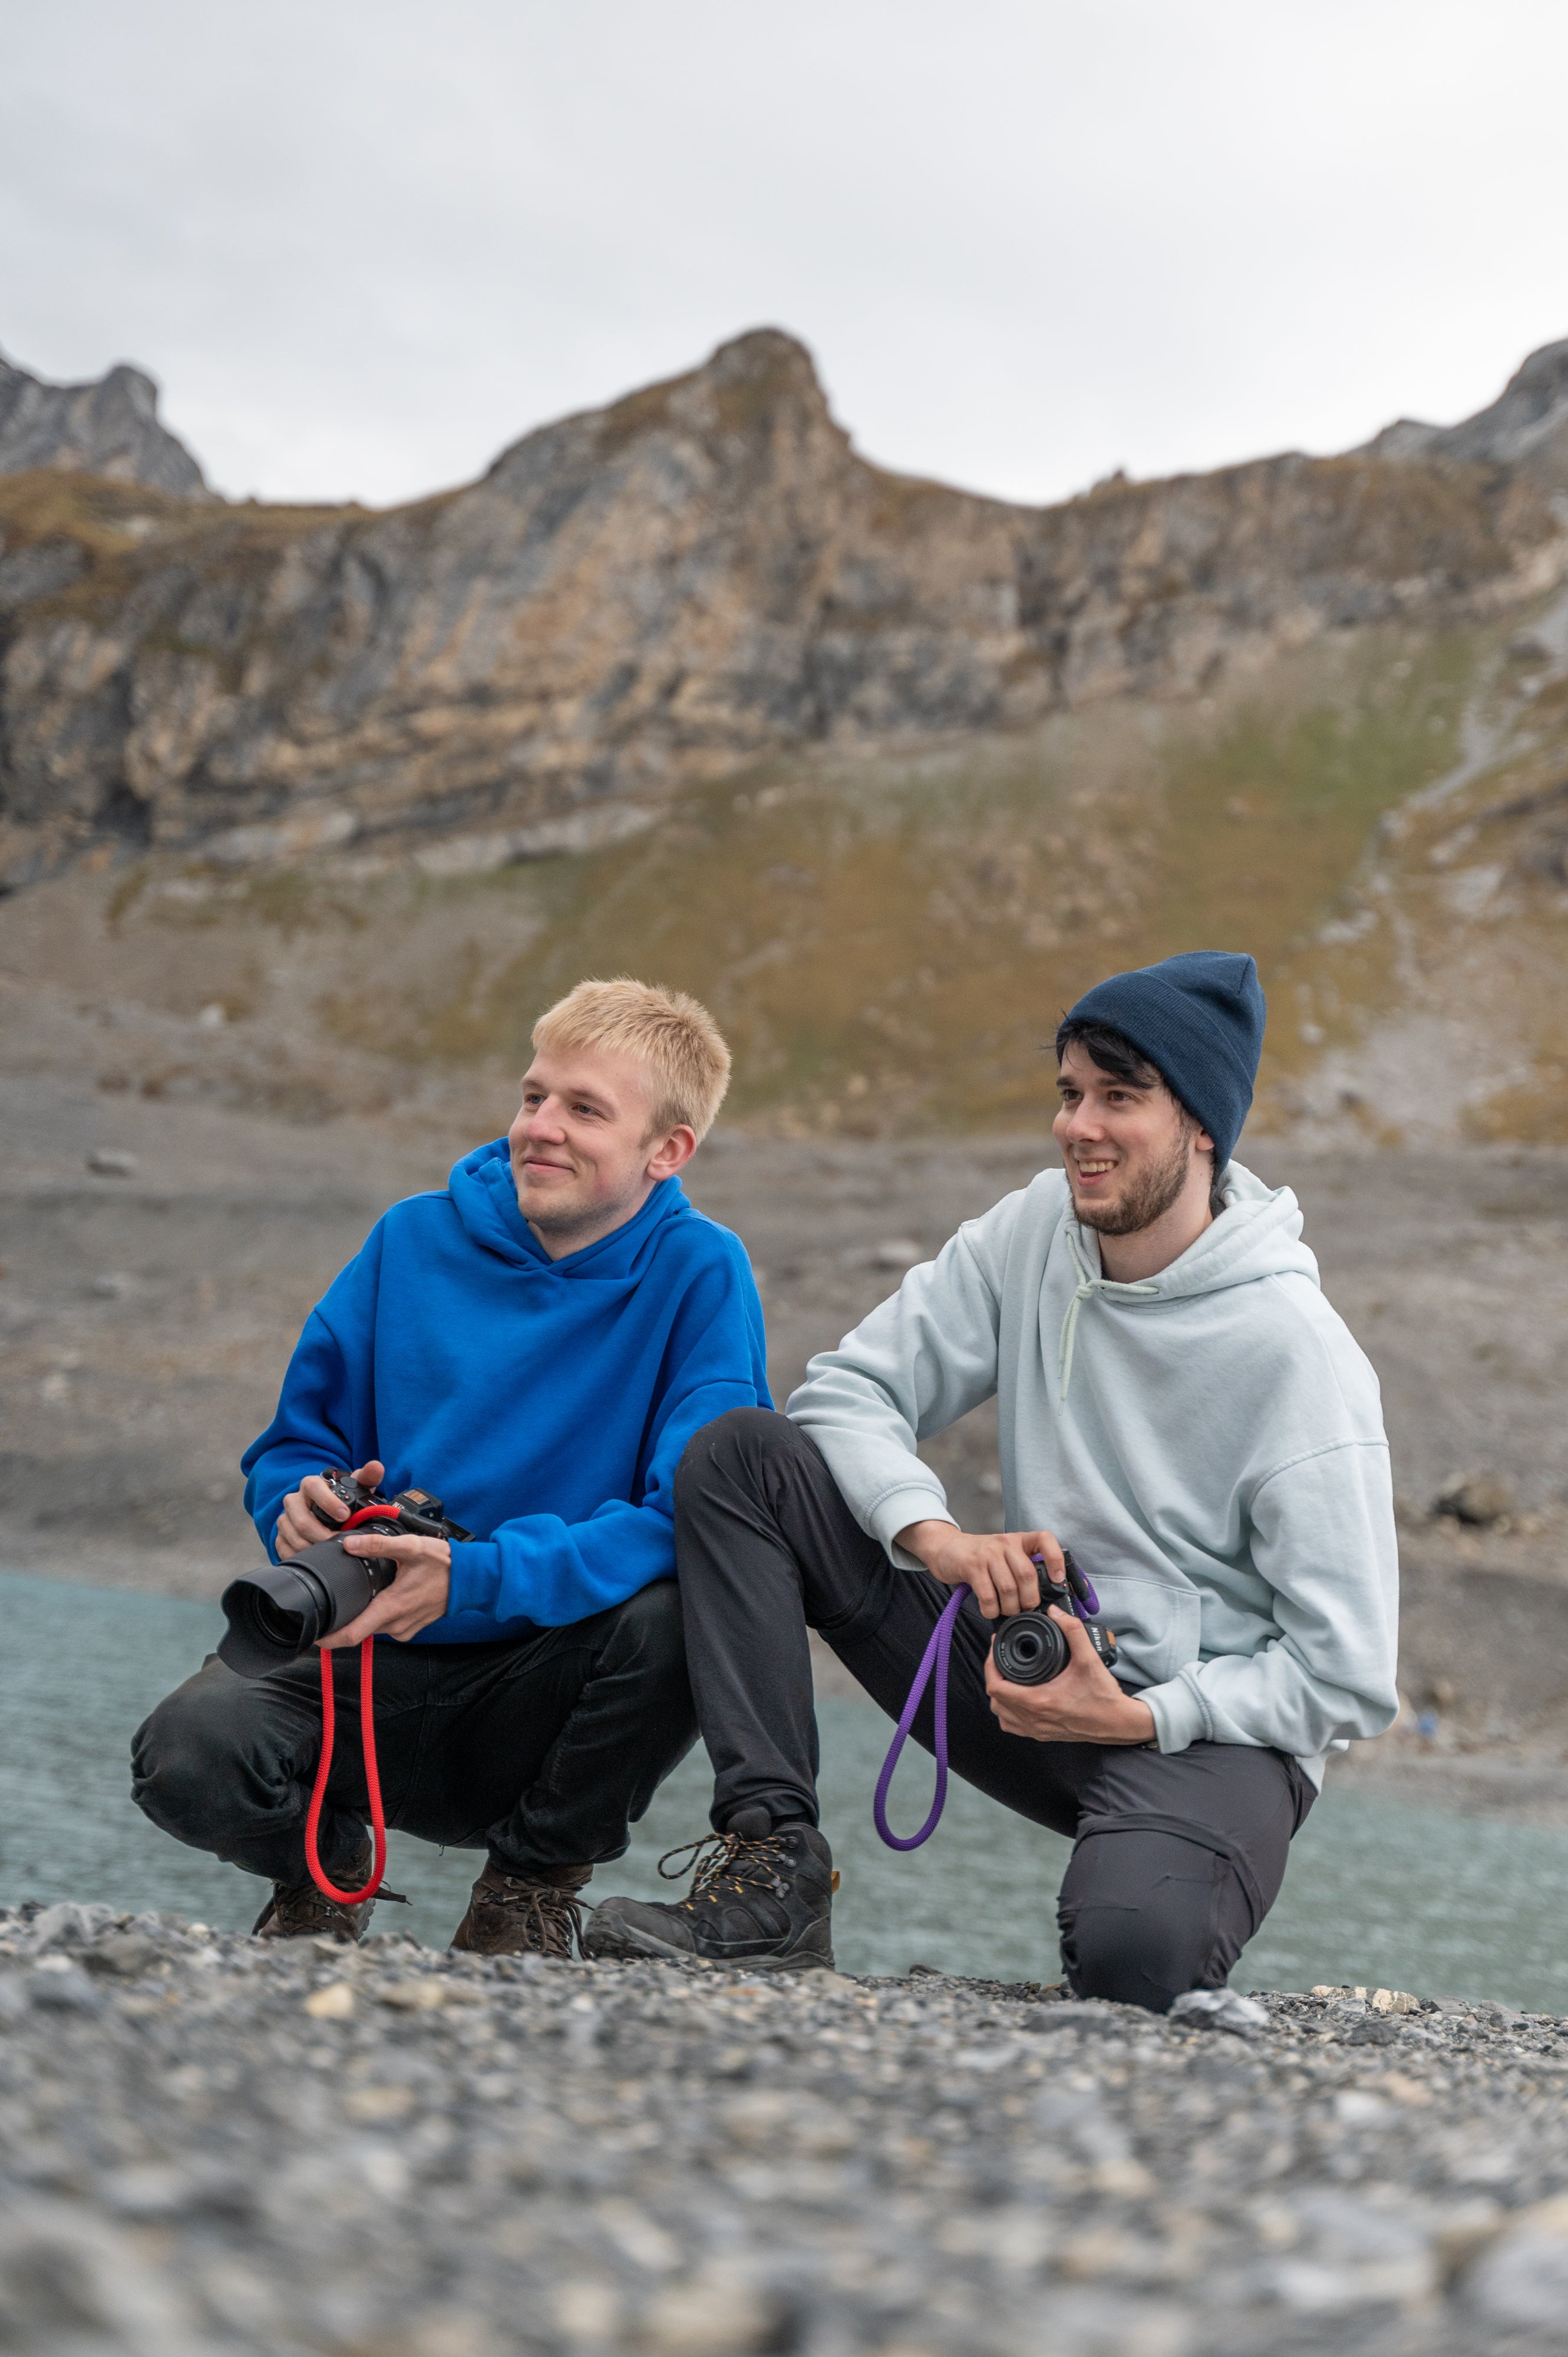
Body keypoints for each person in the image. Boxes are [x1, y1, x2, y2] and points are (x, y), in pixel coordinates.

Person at [585, 952, 1399, 2008]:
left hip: (1207, 1733)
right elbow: (844, 1394)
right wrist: (936, 1537)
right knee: (743, 1459)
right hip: (1020, 1667)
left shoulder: (1298, 1357)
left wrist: (1142, 1719)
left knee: (1130, 1964)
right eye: (1069, 1094)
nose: (1077, 1127)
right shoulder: (1032, 1233)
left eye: (1119, 1098)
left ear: (1202, 1124)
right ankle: (770, 1874)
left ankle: (1140, 1873)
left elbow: (1349, 1675)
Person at [133, 979, 769, 1955]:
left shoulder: (701, 1271)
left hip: (538, 1685)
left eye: (584, 1110)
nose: (541, 1128)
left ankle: (527, 1888)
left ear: (667, 1151)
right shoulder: (410, 1239)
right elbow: (295, 1447)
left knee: (686, 1607)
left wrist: (477, 1577)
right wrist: (295, 1506)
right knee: (182, 1757)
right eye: (533, 1096)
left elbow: (689, 1512)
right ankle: (325, 1865)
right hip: (359, 1650)